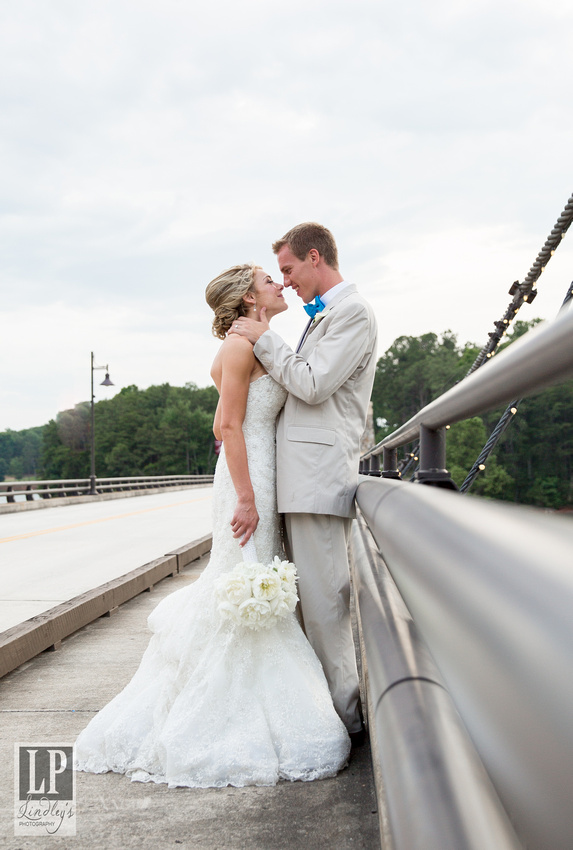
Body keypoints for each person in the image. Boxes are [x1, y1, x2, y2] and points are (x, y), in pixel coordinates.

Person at [74, 262, 350, 788]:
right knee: (242, 578)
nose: (279, 284)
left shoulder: (258, 341)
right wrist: (245, 496)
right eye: (270, 280)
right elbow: (226, 425)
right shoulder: (240, 346)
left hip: (264, 471)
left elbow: (231, 416)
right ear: (249, 298)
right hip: (251, 481)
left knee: (250, 577)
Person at [230, 223, 378, 743]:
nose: (287, 282)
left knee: (323, 608)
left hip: (317, 478)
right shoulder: (325, 316)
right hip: (298, 478)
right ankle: (323, 717)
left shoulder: (352, 312)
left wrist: (265, 340)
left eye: (289, 270)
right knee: (308, 607)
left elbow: (313, 385)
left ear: (315, 258)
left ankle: (347, 723)